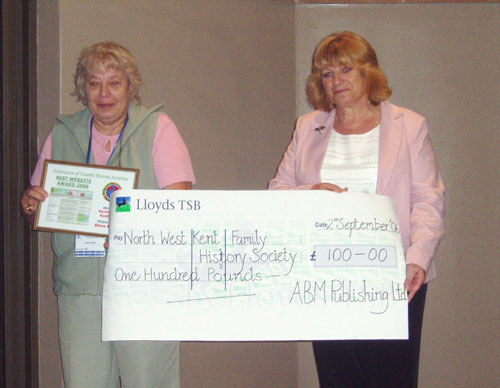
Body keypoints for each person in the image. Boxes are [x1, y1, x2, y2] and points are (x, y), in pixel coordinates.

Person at [269, 31, 445, 388]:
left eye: (346, 69)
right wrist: (311, 192)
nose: (337, 81)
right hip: (326, 276)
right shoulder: (308, 127)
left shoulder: (409, 125)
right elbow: (278, 192)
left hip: (396, 275)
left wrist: (418, 260)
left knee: (392, 380)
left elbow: (429, 199)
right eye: (327, 74)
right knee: (338, 379)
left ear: (369, 73)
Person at [20, 42, 195, 388]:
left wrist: (124, 224)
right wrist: (30, 204)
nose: (104, 93)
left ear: (131, 86)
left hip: (143, 286)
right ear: (82, 89)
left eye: (114, 82)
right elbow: (39, 209)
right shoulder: (63, 133)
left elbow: (178, 206)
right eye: (94, 82)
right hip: (81, 287)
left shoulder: (158, 128)